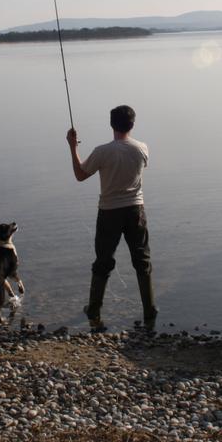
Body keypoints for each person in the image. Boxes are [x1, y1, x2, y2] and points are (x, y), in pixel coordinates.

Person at [67, 105, 157, 332]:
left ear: (111, 124)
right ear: (132, 124)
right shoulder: (142, 149)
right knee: (142, 261)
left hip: (109, 212)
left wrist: (72, 147)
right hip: (136, 210)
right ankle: (150, 311)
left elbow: (80, 175)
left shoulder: (102, 152)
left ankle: (95, 310)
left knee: (103, 262)